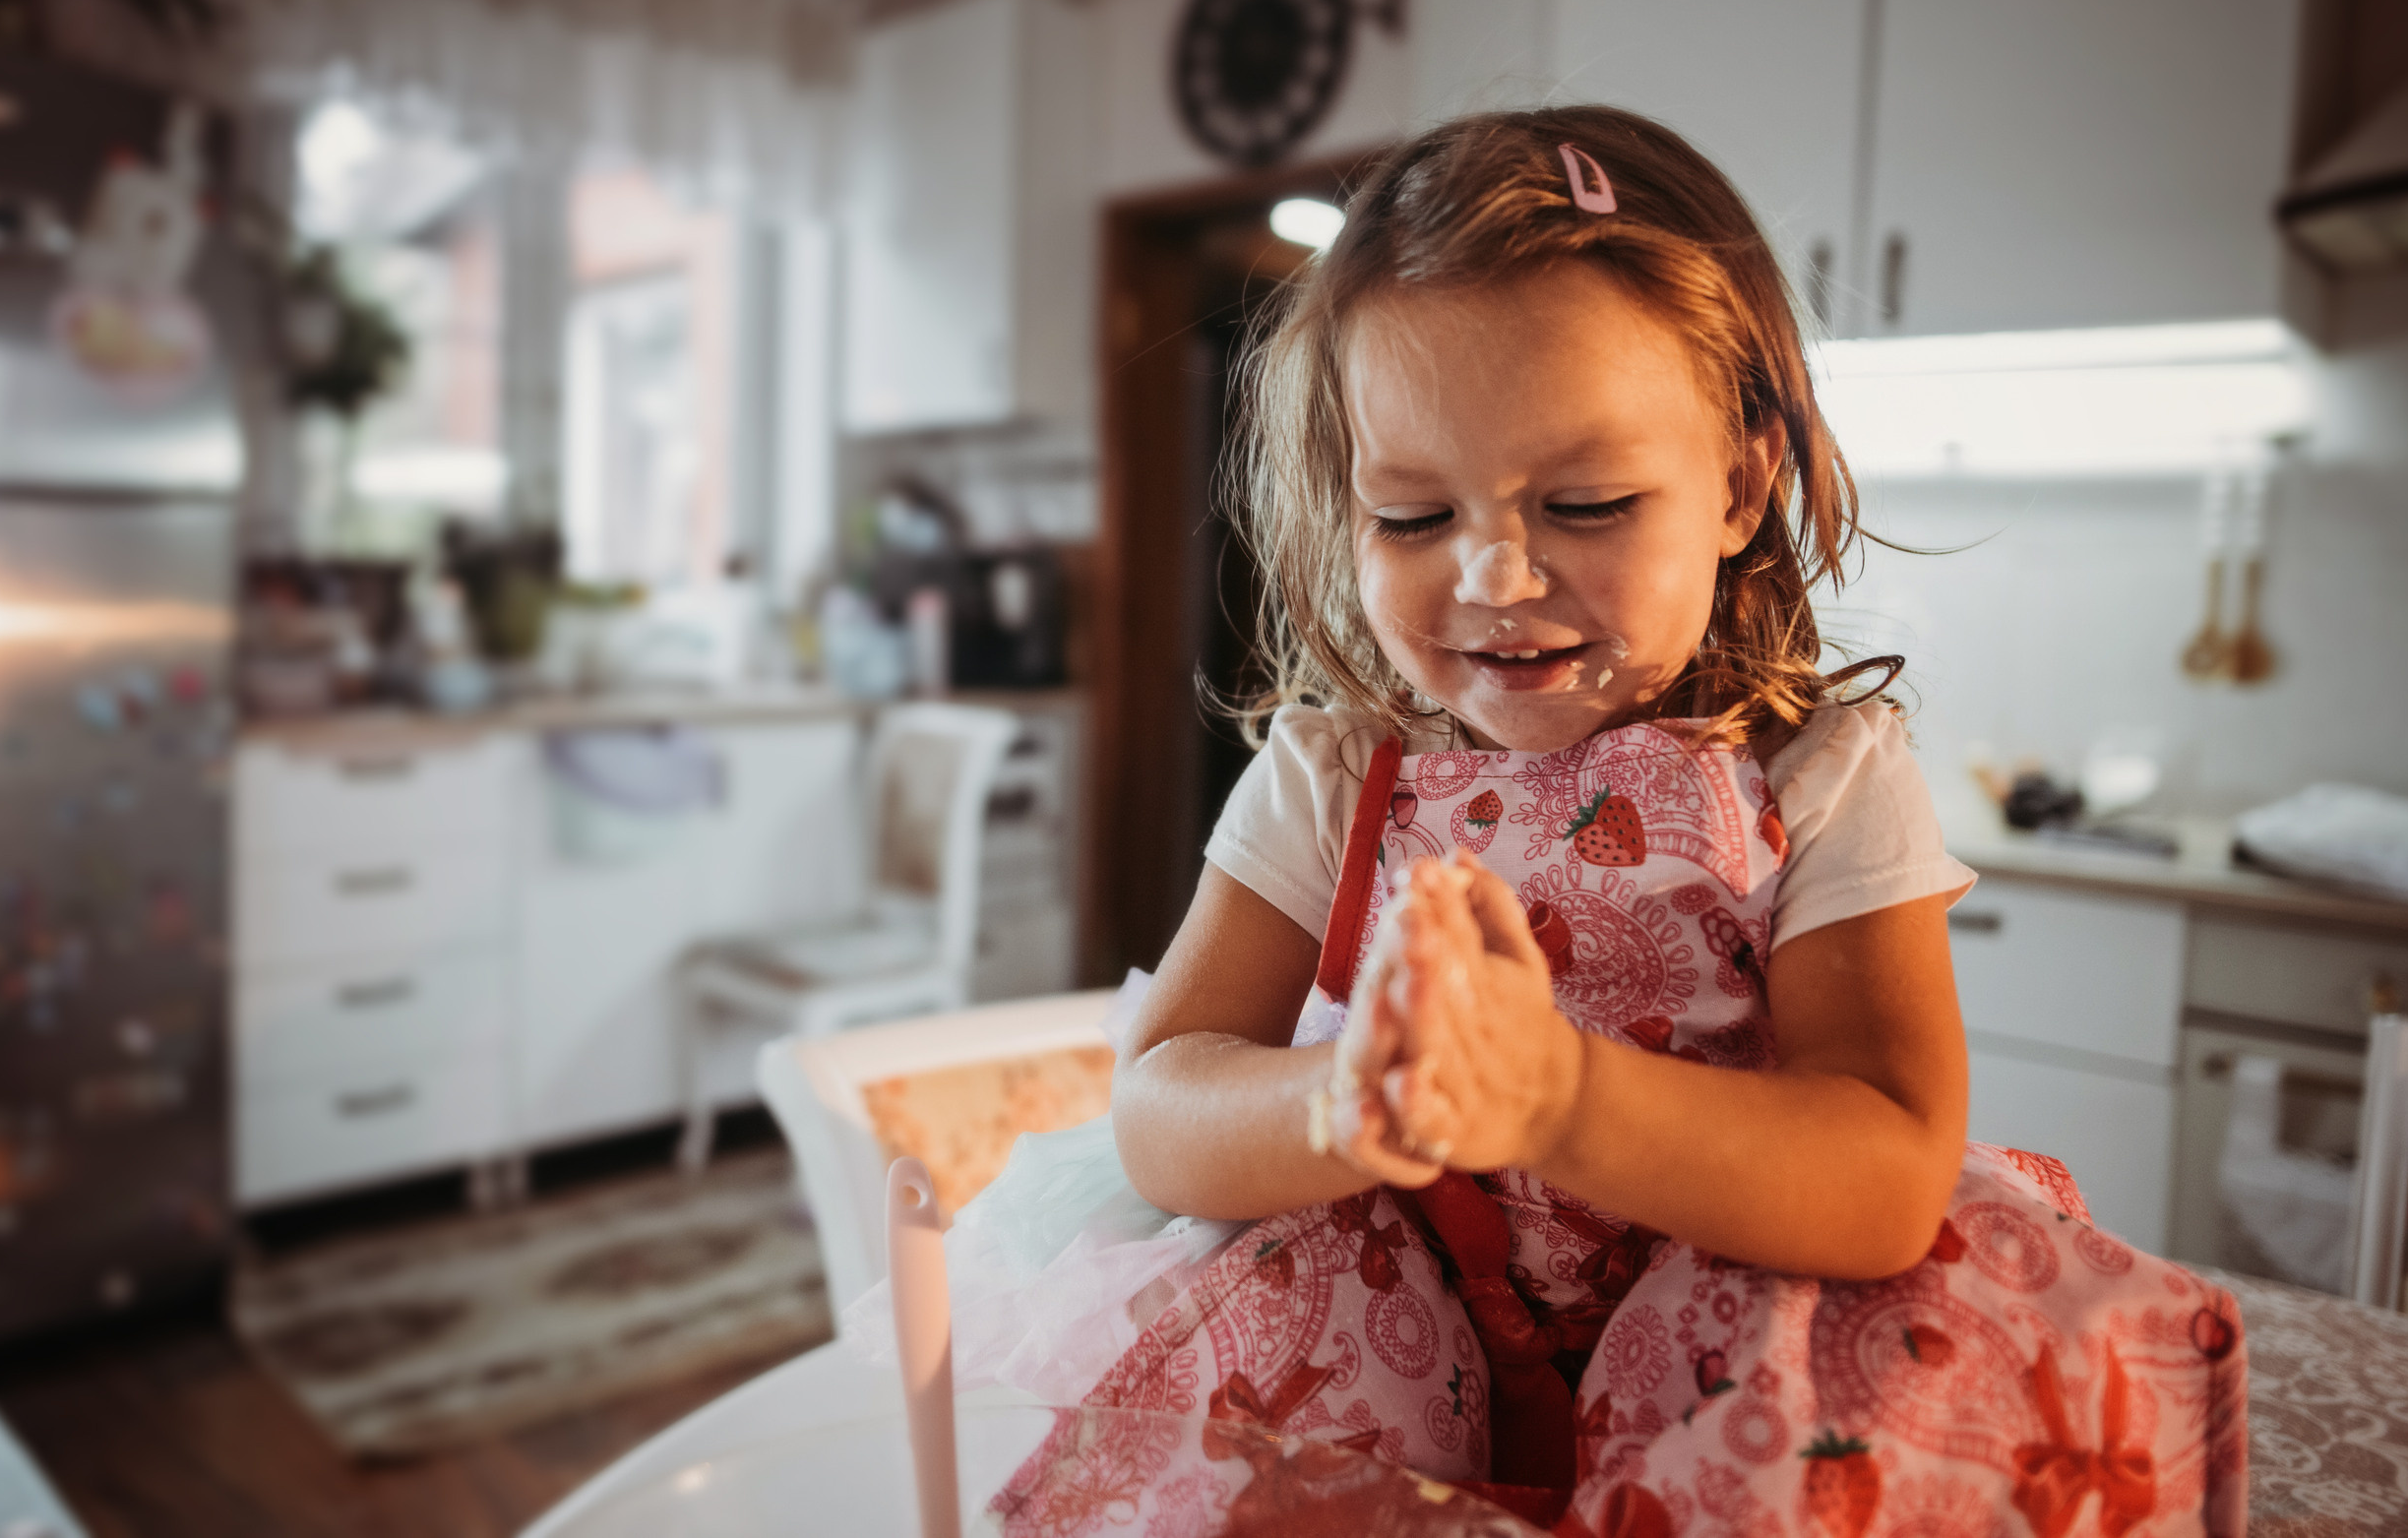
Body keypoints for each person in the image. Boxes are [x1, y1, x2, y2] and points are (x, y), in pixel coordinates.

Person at [945, 107, 2245, 1537]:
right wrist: (1340, 1105)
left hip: (1734, 1352)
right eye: (1412, 516)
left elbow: (1882, 1174)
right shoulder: (1333, 773)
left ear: (1740, 486)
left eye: (1585, 501)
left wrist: (1559, 1099)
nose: (1496, 574)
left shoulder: (1821, 778)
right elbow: (1159, 1102)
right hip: (1389, 1357)